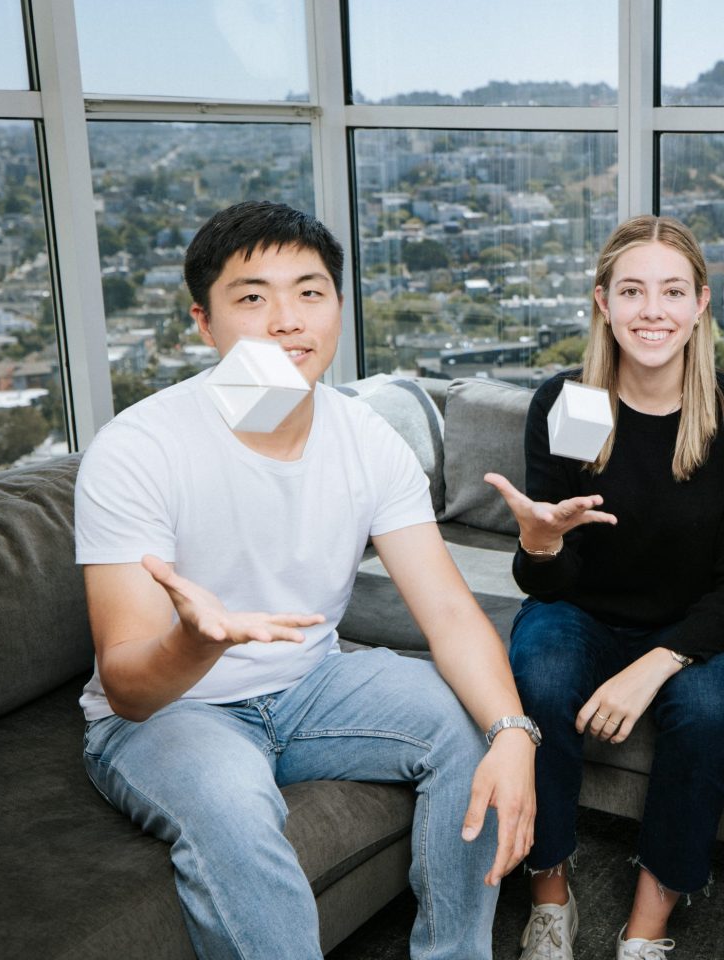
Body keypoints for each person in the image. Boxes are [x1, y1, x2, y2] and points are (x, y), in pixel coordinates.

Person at [75, 200, 537, 960]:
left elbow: (450, 614)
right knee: (233, 805)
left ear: (339, 309)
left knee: (471, 723)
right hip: (172, 712)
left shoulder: (366, 438)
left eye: (310, 292)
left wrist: (514, 733)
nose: (288, 319)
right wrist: (199, 642)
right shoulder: (138, 449)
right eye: (253, 297)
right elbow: (126, 684)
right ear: (205, 323)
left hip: (313, 685)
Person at [484, 215, 724, 960]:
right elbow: (549, 581)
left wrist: (655, 665)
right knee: (539, 679)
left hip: (692, 623)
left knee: (708, 716)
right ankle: (550, 893)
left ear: (701, 303)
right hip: (580, 612)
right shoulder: (571, 405)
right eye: (634, 291)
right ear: (602, 302)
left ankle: (646, 925)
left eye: (673, 291)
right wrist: (541, 544)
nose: (653, 310)